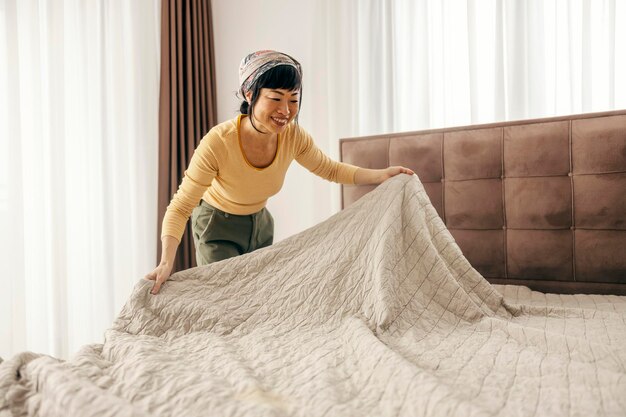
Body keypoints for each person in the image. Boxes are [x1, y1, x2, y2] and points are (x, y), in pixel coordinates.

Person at [147, 50, 414, 295]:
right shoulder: (219, 142)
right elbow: (181, 206)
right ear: (250, 95)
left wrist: (381, 175)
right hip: (217, 226)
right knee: (226, 300)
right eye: (275, 98)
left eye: (293, 99)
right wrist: (166, 262)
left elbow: (330, 169)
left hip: (261, 224)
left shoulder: (293, 137)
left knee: (259, 299)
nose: (285, 111)